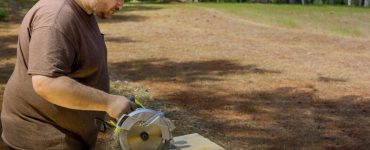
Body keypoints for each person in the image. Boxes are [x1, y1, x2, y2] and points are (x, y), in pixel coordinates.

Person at [1, 0, 137, 149]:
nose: (120, 4)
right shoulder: (56, 17)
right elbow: (47, 83)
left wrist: (103, 106)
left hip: (66, 137)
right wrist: (108, 102)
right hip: (43, 139)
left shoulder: (83, 12)